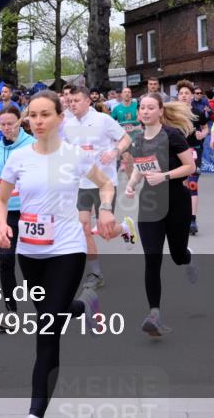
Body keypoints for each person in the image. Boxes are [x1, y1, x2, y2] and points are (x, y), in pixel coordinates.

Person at [0, 90, 117, 418]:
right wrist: (3, 225)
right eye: (32, 115)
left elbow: (106, 185)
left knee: (47, 328)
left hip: (67, 249)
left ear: (60, 118)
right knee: (55, 312)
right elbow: (1, 199)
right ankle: (83, 305)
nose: (37, 121)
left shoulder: (75, 155)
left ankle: (35, 412)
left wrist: (105, 210)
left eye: (45, 114)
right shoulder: (18, 158)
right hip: (29, 252)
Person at [125, 92, 199, 337]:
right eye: (141, 108)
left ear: (159, 111)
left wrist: (164, 176)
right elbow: (140, 166)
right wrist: (131, 184)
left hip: (176, 202)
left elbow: (190, 167)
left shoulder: (173, 135)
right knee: (152, 259)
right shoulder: (138, 138)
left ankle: (187, 258)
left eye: (149, 108)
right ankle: (154, 313)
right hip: (150, 205)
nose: (145, 112)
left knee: (177, 255)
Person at [62, 86, 133, 290]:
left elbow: (125, 139)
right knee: (83, 227)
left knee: (106, 233)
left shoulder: (103, 120)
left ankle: (126, 228)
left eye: (76, 100)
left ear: (87, 101)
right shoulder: (68, 125)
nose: (72, 104)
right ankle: (95, 273)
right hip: (82, 184)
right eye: (70, 101)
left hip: (105, 183)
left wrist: (114, 152)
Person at [0, 105, 36, 325]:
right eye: (2, 124)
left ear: (20, 122)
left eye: (10, 123)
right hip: (5, 211)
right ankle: (10, 312)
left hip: (30, 211)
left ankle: (47, 306)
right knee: (6, 260)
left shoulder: (33, 145)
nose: (6, 128)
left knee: (32, 262)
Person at [179, 81, 210, 235]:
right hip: (177, 153)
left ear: (191, 96)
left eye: (186, 93)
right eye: (181, 93)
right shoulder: (173, 113)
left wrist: (202, 134)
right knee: (182, 185)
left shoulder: (198, 113)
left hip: (194, 151)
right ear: (178, 96)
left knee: (192, 184)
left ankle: (192, 220)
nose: (184, 96)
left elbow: (206, 128)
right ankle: (181, 216)